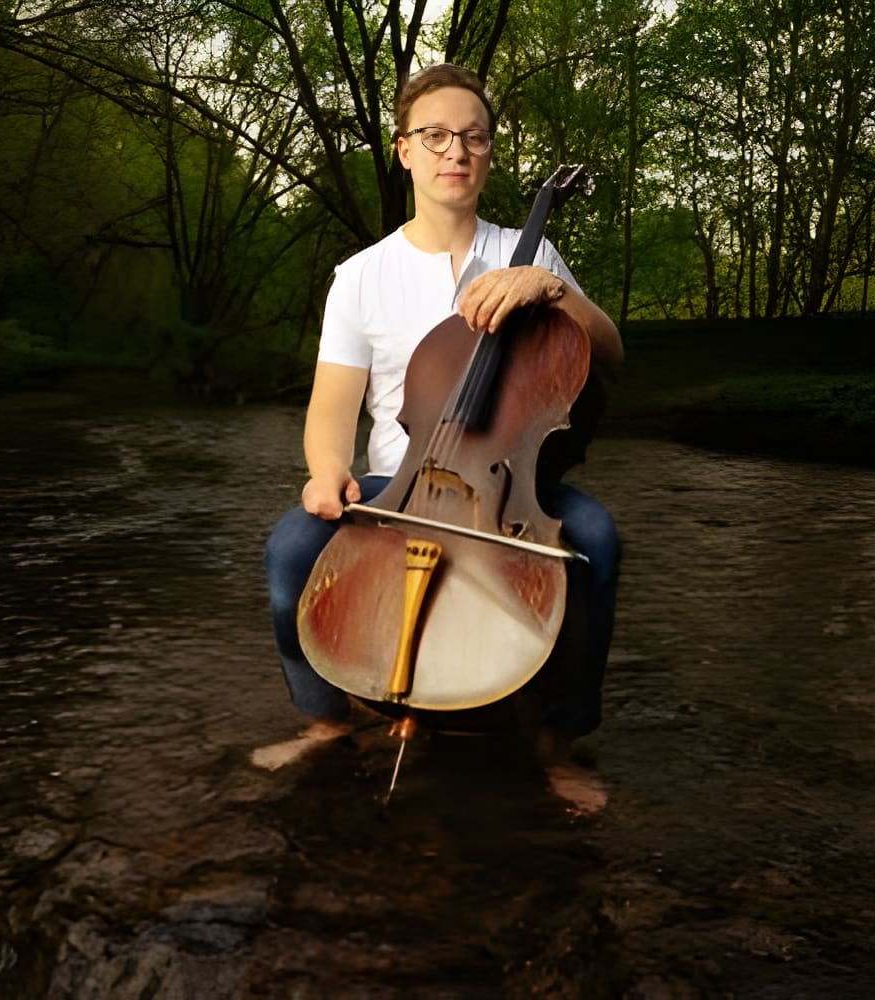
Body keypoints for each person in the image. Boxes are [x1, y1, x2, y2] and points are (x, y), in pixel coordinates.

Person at [257, 64, 623, 812]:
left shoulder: (532, 254)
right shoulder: (361, 276)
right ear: (404, 150)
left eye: (474, 137)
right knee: (290, 551)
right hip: (397, 486)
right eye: (436, 135)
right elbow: (332, 409)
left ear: (488, 153)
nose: (456, 150)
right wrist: (326, 471)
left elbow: (610, 351)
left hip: (512, 486)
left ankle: (559, 741)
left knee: (597, 541)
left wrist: (555, 292)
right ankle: (326, 720)